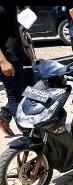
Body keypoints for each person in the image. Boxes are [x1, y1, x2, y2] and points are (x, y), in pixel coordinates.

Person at [0, 5, 35, 136]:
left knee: (28, 90)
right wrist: (2, 61)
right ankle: (28, 133)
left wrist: (26, 46)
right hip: (5, 58)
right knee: (15, 97)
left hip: (17, 53)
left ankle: (4, 115)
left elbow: (15, 25)